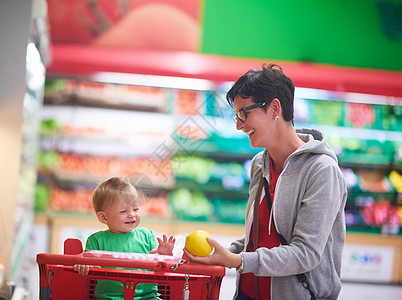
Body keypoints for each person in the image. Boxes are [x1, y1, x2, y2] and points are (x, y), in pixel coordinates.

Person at [183, 63, 347, 300]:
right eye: (237, 116)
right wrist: (221, 253)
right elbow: (258, 237)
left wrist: (238, 261)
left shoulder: (322, 171)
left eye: (244, 114)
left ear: (274, 108)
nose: (239, 125)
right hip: (247, 294)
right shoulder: (260, 163)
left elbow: (306, 253)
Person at [74, 176, 175, 300]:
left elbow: (164, 267)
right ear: (103, 218)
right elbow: (86, 265)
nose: (132, 214)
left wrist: (166, 254)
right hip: (108, 298)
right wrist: (83, 265)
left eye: (135, 209)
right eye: (123, 211)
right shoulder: (96, 240)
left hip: (147, 297)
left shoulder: (147, 235)